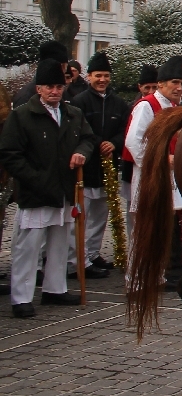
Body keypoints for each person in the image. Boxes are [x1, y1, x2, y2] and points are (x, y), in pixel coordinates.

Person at [0, 58, 96, 317]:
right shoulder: (22, 115)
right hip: (36, 191)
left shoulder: (73, 113)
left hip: (65, 189)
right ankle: (21, 297)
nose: (55, 91)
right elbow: (10, 153)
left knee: (60, 241)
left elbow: (88, 139)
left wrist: (81, 152)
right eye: (49, 87)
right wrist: (35, 179)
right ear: (39, 89)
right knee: (28, 247)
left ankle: (55, 289)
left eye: (58, 86)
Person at [65, 51, 129, 278]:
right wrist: (96, 143)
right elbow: (77, 132)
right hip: (86, 168)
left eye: (106, 76)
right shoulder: (79, 102)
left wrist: (114, 143)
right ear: (89, 76)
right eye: (98, 75)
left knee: (100, 217)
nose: (102, 80)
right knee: (80, 218)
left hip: (108, 170)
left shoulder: (119, 103)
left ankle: (92, 254)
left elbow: (125, 131)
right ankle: (75, 261)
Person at [124, 56, 182, 261]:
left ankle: (157, 273)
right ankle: (137, 278)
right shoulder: (146, 106)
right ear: (160, 84)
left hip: (168, 177)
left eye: (181, 83)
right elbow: (134, 142)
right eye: (174, 83)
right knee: (145, 229)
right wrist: (161, 160)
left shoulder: (174, 107)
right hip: (149, 174)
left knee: (161, 228)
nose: (179, 88)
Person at [12, 40, 70, 107]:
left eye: (65, 67)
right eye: (62, 67)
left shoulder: (64, 94)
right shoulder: (26, 97)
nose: (64, 71)